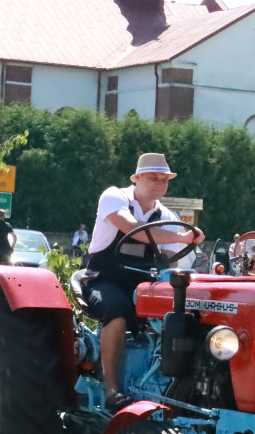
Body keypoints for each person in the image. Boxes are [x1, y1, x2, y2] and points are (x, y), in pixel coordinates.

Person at [83, 152, 204, 413]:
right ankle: (112, 390)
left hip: (146, 286)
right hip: (106, 280)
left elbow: (171, 262)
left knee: (187, 316)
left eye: (164, 180)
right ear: (137, 178)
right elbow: (131, 227)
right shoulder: (115, 198)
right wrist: (185, 237)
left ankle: (181, 389)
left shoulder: (167, 216)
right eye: (153, 178)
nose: (159, 184)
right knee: (117, 313)